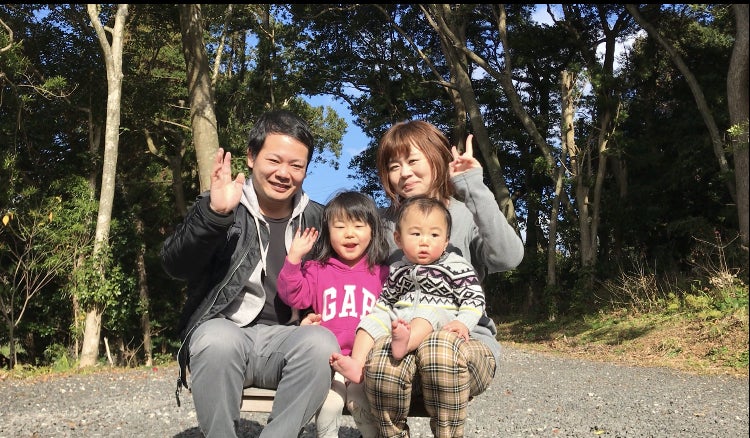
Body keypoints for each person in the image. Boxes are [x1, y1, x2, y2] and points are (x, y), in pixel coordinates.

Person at [160, 109, 340, 438]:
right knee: (217, 339)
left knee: (321, 342)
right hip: (227, 334)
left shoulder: (319, 219)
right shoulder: (221, 204)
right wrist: (215, 216)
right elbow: (175, 265)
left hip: (289, 340)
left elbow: (347, 274)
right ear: (251, 157)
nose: (284, 173)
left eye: (296, 165)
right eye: (274, 160)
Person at [358, 120, 524, 438]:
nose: (404, 173)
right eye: (394, 166)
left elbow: (508, 257)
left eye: (413, 160)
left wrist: (473, 186)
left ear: (437, 158)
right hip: (399, 350)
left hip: (463, 346)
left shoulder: (466, 215)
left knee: (438, 348)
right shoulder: (382, 225)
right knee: (380, 360)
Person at [331, 196, 486, 387]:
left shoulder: (456, 266)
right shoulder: (398, 268)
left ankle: (404, 345)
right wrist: (379, 316)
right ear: (398, 239)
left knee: (426, 315)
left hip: (439, 315)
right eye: (416, 234)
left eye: (434, 235)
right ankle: (357, 365)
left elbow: (474, 299)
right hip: (402, 317)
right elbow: (386, 300)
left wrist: (463, 322)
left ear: (446, 241)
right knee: (369, 322)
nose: (424, 242)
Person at [276, 190, 390, 438]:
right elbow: (292, 296)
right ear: (328, 232)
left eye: (358, 226)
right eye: (340, 226)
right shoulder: (317, 270)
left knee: (359, 402)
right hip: (329, 364)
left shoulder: (383, 274)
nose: (349, 233)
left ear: (373, 231)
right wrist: (294, 259)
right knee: (329, 404)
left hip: (366, 364)